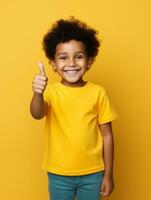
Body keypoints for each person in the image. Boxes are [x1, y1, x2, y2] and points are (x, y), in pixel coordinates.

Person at [30, 16, 118, 200]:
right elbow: (37, 113)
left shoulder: (98, 92)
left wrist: (108, 175)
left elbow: (107, 136)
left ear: (89, 61)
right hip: (58, 174)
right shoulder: (51, 92)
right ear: (54, 64)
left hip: (93, 173)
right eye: (63, 58)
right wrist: (38, 92)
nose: (71, 63)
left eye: (78, 57)